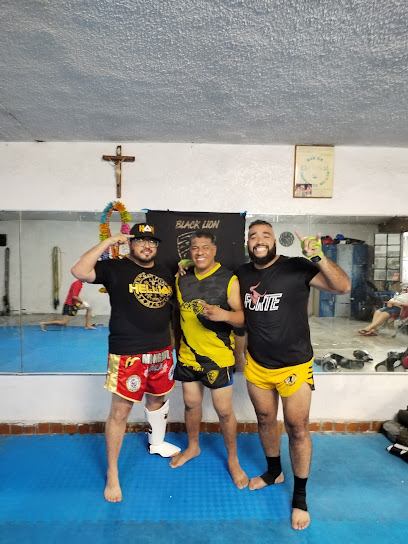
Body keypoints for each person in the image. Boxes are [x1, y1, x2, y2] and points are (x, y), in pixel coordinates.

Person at [235, 220, 351, 530]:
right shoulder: (242, 273)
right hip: (258, 364)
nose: (259, 240)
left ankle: (299, 497)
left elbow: (343, 287)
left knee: (297, 428)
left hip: (294, 365)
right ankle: (274, 472)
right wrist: (184, 268)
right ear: (248, 243)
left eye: (265, 235)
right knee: (264, 419)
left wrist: (319, 256)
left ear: (274, 241)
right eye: (253, 236)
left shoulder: (297, 266)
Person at [71, 223, 180, 503]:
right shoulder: (115, 268)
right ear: (130, 244)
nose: (147, 246)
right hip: (127, 353)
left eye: (152, 242)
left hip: (162, 350)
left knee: (158, 398)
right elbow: (79, 271)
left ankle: (157, 443)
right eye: (140, 240)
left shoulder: (166, 270)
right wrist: (108, 243)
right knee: (120, 412)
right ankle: (113, 473)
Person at [170, 230, 249, 489]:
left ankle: (233, 459)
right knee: (191, 404)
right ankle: (193, 447)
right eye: (194, 248)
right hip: (187, 356)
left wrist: (224, 316)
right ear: (190, 252)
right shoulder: (181, 278)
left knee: (224, 411)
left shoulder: (229, 279)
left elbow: (243, 318)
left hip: (218, 358)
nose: (199, 251)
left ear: (214, 250)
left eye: (205, 247)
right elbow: (176, 317)